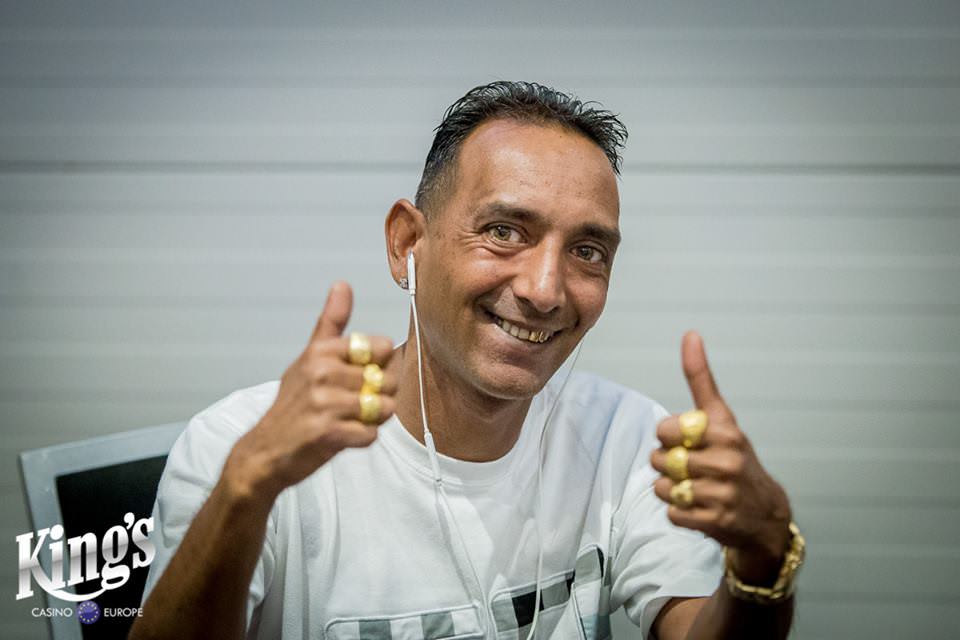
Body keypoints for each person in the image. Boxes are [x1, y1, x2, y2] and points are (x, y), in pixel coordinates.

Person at [130, 81, 803, 640]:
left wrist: (765, 556)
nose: (545, 290)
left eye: (587, 252)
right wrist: (247, 488)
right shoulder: (239, 447)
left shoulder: (625, 441)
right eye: (504, 232)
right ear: (407, 243)